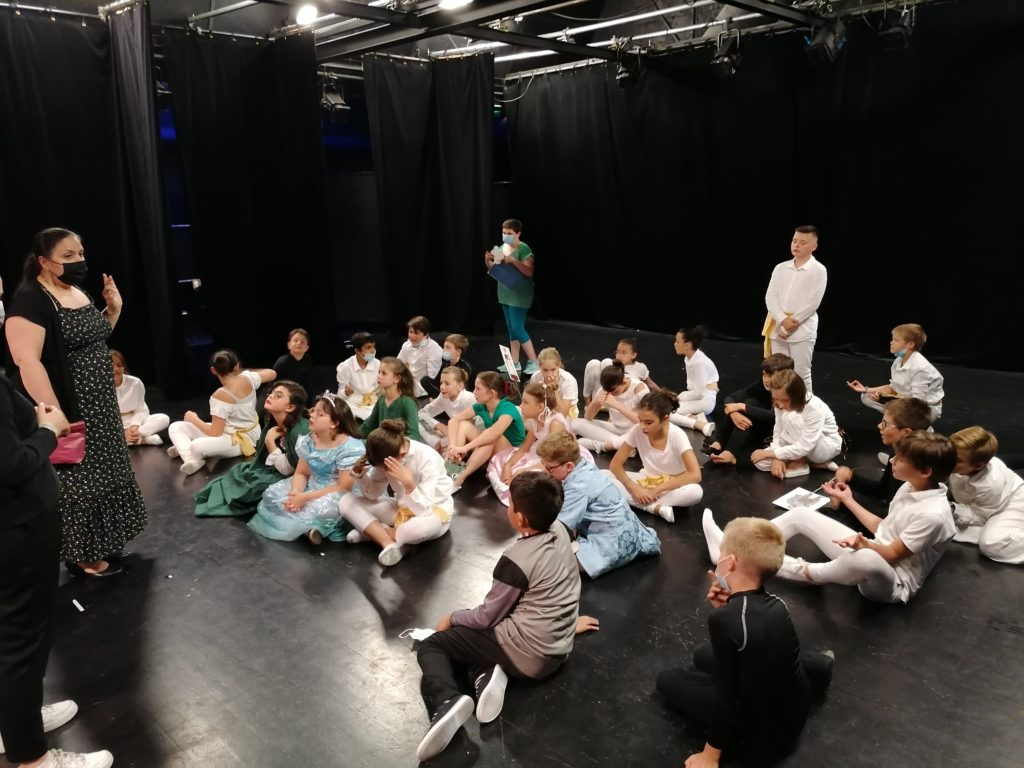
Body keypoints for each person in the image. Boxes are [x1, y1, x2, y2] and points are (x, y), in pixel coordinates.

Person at [414, 472, 597, 762]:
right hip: (558, 650)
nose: (507, 508)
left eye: (510, 504)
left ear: (521, 518)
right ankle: (487, 674)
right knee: (477, 638)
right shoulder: (561, 530)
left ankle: (446, 700)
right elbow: (560, 585)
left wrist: (452, 617)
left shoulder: (517, 559)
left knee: (434, 644)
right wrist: (569, 625)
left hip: (528, 655)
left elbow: (487, 617)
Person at [5, 227, 146, 578]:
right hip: (74, 405)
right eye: (68, 256)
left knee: (109, 470)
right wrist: (56, 414)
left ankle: (105, 540)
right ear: (43, 261)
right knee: (81, 479)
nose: (79, 261)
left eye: (80, 253)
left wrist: (113, 309)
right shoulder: (31, 298)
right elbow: (27, 361)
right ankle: (84, 556)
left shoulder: (75, 290)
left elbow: (94, 337)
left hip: (102, 403)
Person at [0, 372, 115, 768]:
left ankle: (16, 724)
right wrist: (48, 430)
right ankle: (33, 758)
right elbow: (12, 464)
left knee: (10, 639)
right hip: (17, 527)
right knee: (22, 643)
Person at [657, 517, 833, 768]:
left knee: (668, 679)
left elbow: (725, 696)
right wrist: (729, 604)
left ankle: (816, 667)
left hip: (764, 733)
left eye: (721, 553)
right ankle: (818, 665)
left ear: (730, 563)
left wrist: (710, 756)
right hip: (796, 708)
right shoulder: (777, 603)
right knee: (702, 654)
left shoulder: (725, 620)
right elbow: (752, 634)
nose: (718, 558)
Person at [705, 431, 957, 604]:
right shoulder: (911, 487)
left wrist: (865, 545)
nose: (892, 460)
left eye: (900, 459)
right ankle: (732, 549)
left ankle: (802, 571)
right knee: (801, 514)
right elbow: (884, 527)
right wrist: (848, 500)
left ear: (925, 471)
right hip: (873, 550)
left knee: (866, 558)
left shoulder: (933, 515)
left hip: (892, 582)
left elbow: (892, 555)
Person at [538, 432, 660, 578]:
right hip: (633, 537)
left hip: (611, 546)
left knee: (547, 558)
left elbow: (561, 526)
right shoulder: (585, 466)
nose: (544, 471)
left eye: (549, 468)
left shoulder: (578, 486)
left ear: (569, 466)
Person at [248, 393, 363, 544]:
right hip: (312, 485)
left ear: (334, 423)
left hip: (336, 492)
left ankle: (311, 528)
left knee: (325, 510)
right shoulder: (309, 440)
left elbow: (344, 486)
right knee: (272, 495)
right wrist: (296, 493)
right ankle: (309, 529)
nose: (312, 415)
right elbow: (301, 473)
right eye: (313, 411)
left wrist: (306, 497)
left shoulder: (349, 448)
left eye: (320, 414)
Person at [340, 420, 455, 566]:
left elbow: (424, 511)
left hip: (433, 513)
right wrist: (360, 475)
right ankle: (389, 542)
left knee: (418, 529)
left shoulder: (427, 457)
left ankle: (374, 532)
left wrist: (409, 485)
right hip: (401, 511)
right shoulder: (386, 457)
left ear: (402, 454)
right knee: (346, 501)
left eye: (384, 468)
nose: (383, 470)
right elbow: (373, 495)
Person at [194, 380, 309, 518]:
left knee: (255, 488)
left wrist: (270, 442)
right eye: (272, 393)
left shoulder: (299, 431)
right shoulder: (273, 421)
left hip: (291, 478)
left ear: (290, 407)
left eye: (278, 395)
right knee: (239, 470)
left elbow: (290, 470)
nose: (271, 396)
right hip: (275, 468)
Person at [167, 349, 277, 476]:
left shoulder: (220, 396)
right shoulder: (248, 378)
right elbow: (272, 373)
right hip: (231, 430)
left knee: (196, 445)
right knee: (177, 427)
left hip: (242, 439)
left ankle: (188, 454)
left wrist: (193, 419)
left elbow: (215, 432)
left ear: (213, 370)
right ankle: (191, 459)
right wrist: (242, 371)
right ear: (236, 366)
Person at [607, 391, 703, 523]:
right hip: (647, 480)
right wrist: (633, 488)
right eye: (640, 420)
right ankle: (652, 507)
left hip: (672, 486)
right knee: (602, 475)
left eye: (648, 422)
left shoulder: (677, 435)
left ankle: (643, 504)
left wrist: (657, 490)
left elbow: (695, 475)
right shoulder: (636, 430)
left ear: (665, 419)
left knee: (695, 492)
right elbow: (615, 465)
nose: (642, 426)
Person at [827, 397, 932, 515]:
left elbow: (892, 517)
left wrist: (845, 500)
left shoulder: (912, 468)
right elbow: (884, 491)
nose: (879, 426)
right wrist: (851, 477)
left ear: (906, 432)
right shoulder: (898, 452)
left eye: (885, 424)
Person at [486, 382, 583, 506]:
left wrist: (524, 470)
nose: (521, 406)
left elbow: (554, 459)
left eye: (525, 402)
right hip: (542, 453)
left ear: (540, 407)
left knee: (526, 476)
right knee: (503, 461)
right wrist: (508, 465)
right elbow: (524, 448)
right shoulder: (534, 420)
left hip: (556, 459)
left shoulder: (555, 423)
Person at [763, 225, 828, 395]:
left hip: (802, 327)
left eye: (802, 242)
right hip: (778, 325)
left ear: (814, 246)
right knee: (778, 372)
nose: (796, 245)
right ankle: (780, 406)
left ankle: (805, 407)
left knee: (801, 372)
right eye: (794, 241)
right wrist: (782, 320)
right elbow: (771, 297)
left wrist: (789, 325)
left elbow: (812, 303)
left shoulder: (818, 270)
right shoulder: (780, 268)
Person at [948, 427, 1024, 564]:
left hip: (1011, 502)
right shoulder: (960, 464)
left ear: (978, 466)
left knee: (991, 544)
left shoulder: (990, 484)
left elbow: (980, 516)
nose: (947, 460)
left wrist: (953, 509)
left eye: (957, 460)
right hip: (986, 501)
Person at [704, 353, 795, 467]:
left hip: (776, 431)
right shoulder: (761, 386)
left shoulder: (788, 390)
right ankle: (720, 442)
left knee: (748, 404)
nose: (766, 380)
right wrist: (734, 413)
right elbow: (731, 397)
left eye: (770, 376)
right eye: (764, 375)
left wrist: (742, 407)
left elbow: (773, 416)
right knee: (737, 406)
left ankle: (731, 451)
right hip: (759, 423)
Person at [752, 369, 841, 479]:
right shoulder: (779, 401)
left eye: (785, 400)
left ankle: (800, 463)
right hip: (796, 443)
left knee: (792, 418)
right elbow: (779, 429)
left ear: (797, 395)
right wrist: (776, 456)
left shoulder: (814, 408)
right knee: (760, 462)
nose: (780, 405)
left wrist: (773, 454)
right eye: (775, 399)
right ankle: (811, 464)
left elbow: (805, 446)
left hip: (823, 446)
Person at [846, 323, 944, 422]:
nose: (891, 342)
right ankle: (901, 421)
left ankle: (918, 426)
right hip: (908, 402)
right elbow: (893, 388)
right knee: (867, 396)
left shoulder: (920, 368)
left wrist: (890, 401)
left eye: (896, 340)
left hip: (925, 409)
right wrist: (865, 389)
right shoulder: (898, 361)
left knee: (896, 413)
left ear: (910, 344)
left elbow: (918, 404)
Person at [445, 372, 525, 491]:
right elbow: (454, 421)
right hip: (495, 447)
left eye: (478, 389)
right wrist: (453, 446)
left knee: (489, 439)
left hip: (513, 453)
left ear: (491, 393)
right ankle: (452, 468)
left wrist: (465, 448)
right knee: (464, 425)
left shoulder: (508, 408)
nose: (474, 392)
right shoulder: (482, 406)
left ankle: (459, 478)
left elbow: (494, 433)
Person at [483, 218, 539, 375]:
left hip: (519, 295)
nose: (505, 236)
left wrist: (513, 261)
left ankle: (534, 361)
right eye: (504, 233)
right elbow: (496, 270)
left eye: (509, 233)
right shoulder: (503, 247)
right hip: (505, 293)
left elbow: (529, 271)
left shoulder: (524, 249)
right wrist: (488, 261)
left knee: (517, 328)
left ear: (518, 233)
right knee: (512, 330)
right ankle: (514, 363)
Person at [572, 361, 648, 454]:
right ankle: (621, 444)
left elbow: (642, 421)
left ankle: (601, 445)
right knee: (576, 424)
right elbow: (588, 417)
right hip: (615, 428)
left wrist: (616, 405)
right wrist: (595, 402)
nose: (612, 394)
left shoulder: (639, 389)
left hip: (635, 431)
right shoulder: (606, 389)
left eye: (615, 391)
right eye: (608, 391)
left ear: (624, 382)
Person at [111, 349, 169, 447]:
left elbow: (141, 410)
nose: (115, 369)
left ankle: (130, 439)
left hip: (136, 421)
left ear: (124, 367)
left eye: (119, 365)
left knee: (163, 418)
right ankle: (142, 440)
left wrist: (135, 426)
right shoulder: (100, 387)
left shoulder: (135, 382)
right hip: (115, 425)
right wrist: (124, 430)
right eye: (110, 366)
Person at [667, 326, 718, 437]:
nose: (674, 344)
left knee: (669, 414)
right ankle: (694, 417)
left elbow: (699, 393)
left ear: (687, 345)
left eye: (677, 341)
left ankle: (701, 425)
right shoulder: (689, 358)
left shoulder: (699, 363)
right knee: (670, 406)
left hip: (705, 400)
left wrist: (679, 399)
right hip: (698, 395)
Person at [359, 357, 421, 441]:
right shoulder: (382, 399)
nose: (379, 376)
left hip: (396, 447)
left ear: (397, 379)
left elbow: (414, 435)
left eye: (384, 373)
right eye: (379, 372)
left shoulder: (407, 403)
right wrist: (351, 437)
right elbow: (369, 425)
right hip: (381, 444)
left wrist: (398, 444)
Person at [418, 366, 477, 452]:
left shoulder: (470, 399)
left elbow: (467, 430)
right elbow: (422, 413)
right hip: (451, 433)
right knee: (418, 423)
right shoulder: (443, 397)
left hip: (471, 439)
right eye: (441, 383)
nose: (442, 387)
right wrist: (438, 425)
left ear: (460, 386)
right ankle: (438, 445)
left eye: (447, 383)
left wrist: (446, 435)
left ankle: (442, 448)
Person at [581, 337, 658, 403]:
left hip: (619, 402)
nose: (619, 355)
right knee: (594, 363)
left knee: (606, 362)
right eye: (617, 352)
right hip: (600, 398)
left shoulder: (640, 367)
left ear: (633, 355)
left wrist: (664, 395)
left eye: (623, 353)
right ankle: (588, 403)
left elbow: (651, 385)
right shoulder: (611, 364)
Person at [335, 331, 380, 421]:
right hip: (354, 404)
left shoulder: (378, 364)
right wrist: (346, 392)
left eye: (373, 346)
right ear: (357, 351)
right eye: (368, 347)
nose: (373, 350)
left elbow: (380, 387)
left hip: (373, 402)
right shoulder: (345, 367)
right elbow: (340, 394)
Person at [398, 315, 443, 398]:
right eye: (411, 332)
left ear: (426, 335)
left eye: (416, 333)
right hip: (407, 389)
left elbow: (432, 377)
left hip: (423, 393)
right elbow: (398, 364)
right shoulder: (406, 345)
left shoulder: (433, 348)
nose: (412, 336)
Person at [529, 347, 579, 418]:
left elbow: (563, 413)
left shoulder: (568, 380)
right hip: (544, 408)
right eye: (545, 370)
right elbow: (531, 399)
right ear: (539, 367)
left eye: (553, 370)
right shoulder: (536, 377)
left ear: (558, 366)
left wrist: (554, 389)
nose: (549, 374)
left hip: (567, 413)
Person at [421, 333, 473, 400]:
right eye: (444, 347)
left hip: (459, 397)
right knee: (425, 380)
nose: (444, 350)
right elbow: (437, 381)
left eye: (448, 347)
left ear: (458, 352)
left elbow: (461, 389)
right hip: (445, 392)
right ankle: (439, 400)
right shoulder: (446, 364)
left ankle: (441, 400)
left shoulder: (465, 367)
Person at [272, 328, 315, 406]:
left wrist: (310, 405)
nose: (298, 343)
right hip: (282, 398)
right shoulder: (282, 362)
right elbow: (275, 385)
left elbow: (309, 385)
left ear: (307, 348)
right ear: (289, 345)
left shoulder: (308, 361)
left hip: (299, 398)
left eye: (302, 342)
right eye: (295, 340)